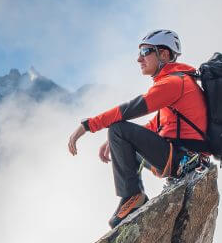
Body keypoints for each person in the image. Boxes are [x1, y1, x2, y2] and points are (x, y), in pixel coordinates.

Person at [67, 29, 209, 228]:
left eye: (145, 52)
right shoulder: (179, 81)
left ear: (164, 54)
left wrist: (87, 126)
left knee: (118, 128)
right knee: (119, 135)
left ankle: (132, 197)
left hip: (180, 158)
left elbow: (128, 110)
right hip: (182, 156)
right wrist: (115, 143)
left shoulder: (174, 83)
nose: (139, 59)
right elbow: (156, 125)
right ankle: (132, 198)